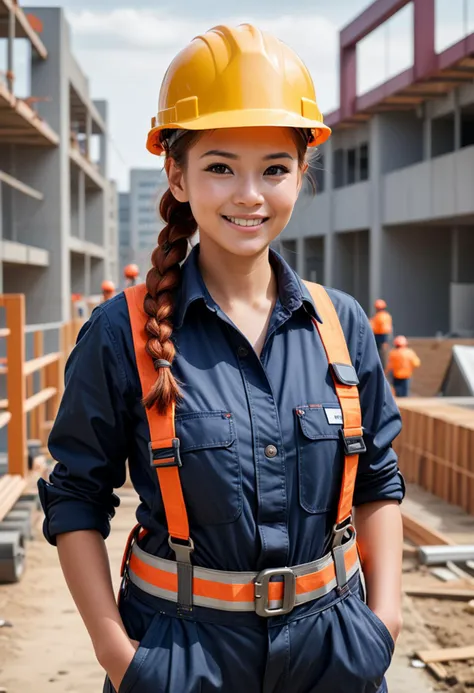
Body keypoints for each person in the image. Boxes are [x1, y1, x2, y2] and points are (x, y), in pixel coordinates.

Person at [38, 24, 405, 693]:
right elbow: (75, 497)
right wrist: (120, 656)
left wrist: (385, 623)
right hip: (181, 655)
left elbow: (379, 479)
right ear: (177, 174)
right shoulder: (121, 333)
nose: (249, 195)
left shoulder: (341, 324)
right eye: (219, 167)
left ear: (302, 174)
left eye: (274, 168)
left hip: (336, 654)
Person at [370, 299, 393, 368]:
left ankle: (382, 367)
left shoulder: (381, 316)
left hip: (381, 336)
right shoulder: (383, 316)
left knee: (381, 354)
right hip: (380, 336)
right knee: (380, 353)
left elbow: (383, 329)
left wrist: (384, 341)